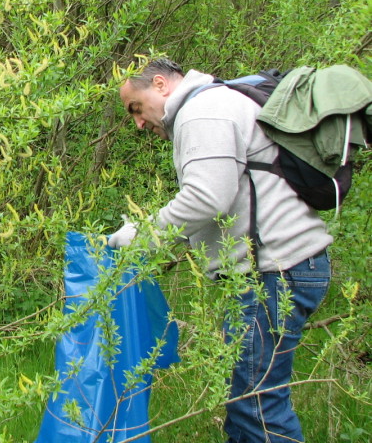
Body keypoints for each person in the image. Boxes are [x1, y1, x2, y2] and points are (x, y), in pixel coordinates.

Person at [108, 59, 332, 443]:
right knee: (248, 403)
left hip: (274, 273)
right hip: (280, 269)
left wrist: (142, 236)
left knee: (256, 407)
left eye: (136, 108)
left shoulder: (203, 111)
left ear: (160, 85)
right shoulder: (213, 104)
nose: (139, 123)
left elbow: (206, 198)